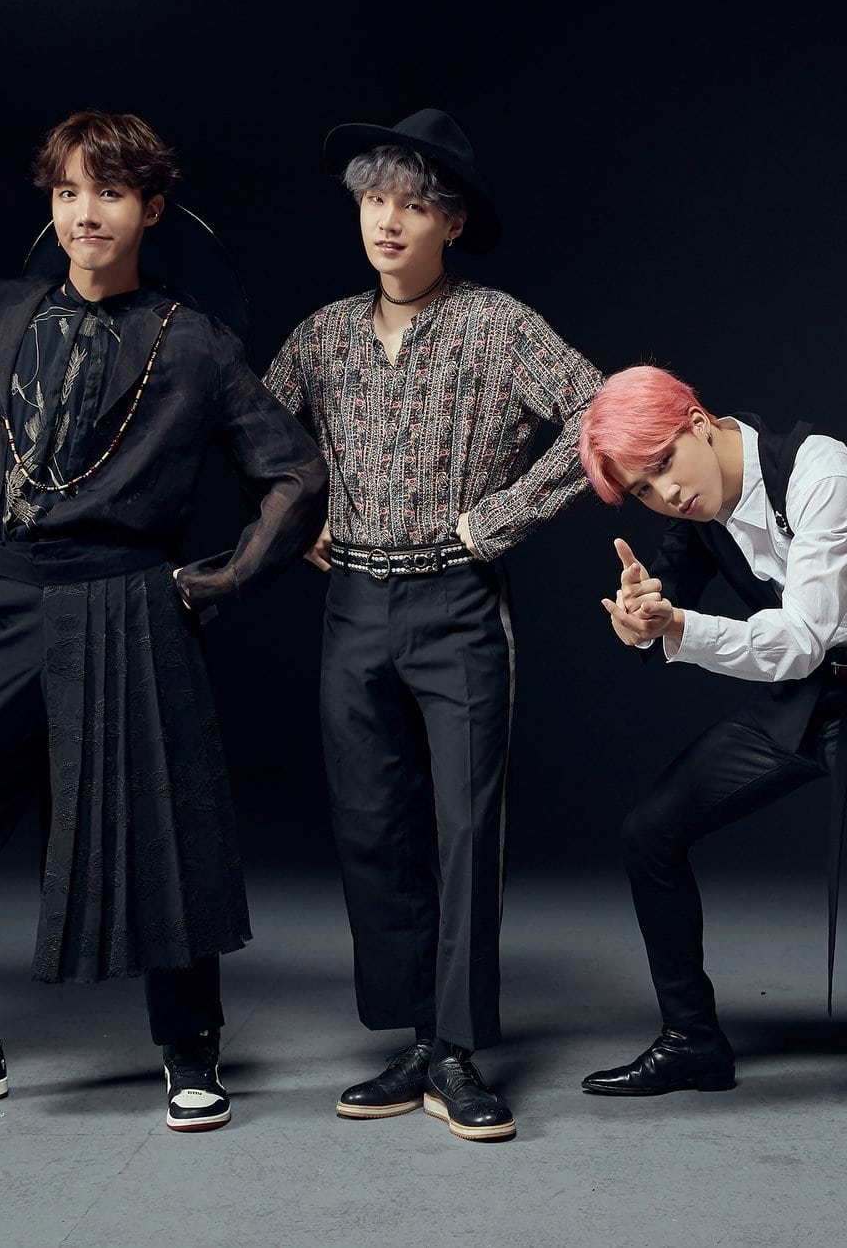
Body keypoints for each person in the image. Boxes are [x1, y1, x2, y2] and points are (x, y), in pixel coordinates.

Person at [0, 110, 326, 1131]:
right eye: (66, 192)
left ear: (151, 209)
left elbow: (296, 473)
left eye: (108, 193)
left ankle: (191, 1052)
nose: (84, 213)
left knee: (159, 840)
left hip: (128, 607)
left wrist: (216, 583)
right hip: (4, 605)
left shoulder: (194, 342)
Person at [578, 364, 847, 1233]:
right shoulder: (696, 506)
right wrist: (638, 617)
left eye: (663, 467)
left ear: (698, 421)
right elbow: (666, 595)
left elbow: (798, 641)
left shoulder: (828, 477)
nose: (667, 495)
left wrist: (676, 632)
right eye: (645, 492)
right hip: (806, 697)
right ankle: (693, 1041)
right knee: (649, 832)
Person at [263, 108, 600, 1143]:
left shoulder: (498, 325)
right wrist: (296, 519)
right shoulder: (322, 334)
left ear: (450, 222)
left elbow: (601, 410)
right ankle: (415, 1037)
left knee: (463, 828)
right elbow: (255, 431)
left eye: (412, 205)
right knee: (372, 827)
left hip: (455, 603)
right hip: (354, 606)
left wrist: (499, 518)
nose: (388, 221)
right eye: (375, 200)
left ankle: (456, 1048)